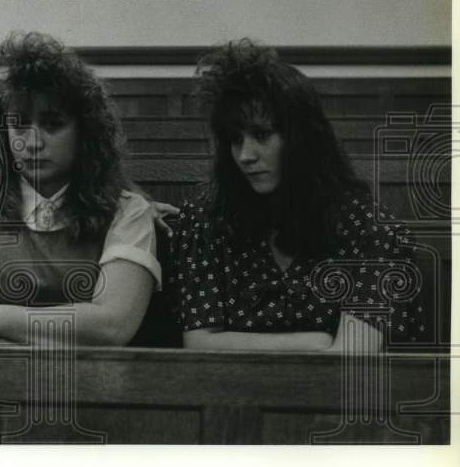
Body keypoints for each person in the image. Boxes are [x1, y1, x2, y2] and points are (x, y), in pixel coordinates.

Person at [170, 39, 426, 351]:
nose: (245, 155)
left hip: (337, 399)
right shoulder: (205, 221)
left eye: (262, 135)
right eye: (234, 139)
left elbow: (352, 356)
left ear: (301, 138)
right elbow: (198, 344)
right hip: (229, 396)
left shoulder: (368, 227)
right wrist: (315, 343)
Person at [0, 31, 161, 346]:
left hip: (89, 392)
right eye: (18, 125)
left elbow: (112, 326)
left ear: (85, 131)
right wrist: (23, 365)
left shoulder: (128, 213)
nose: (32, 143)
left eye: (53, 124)